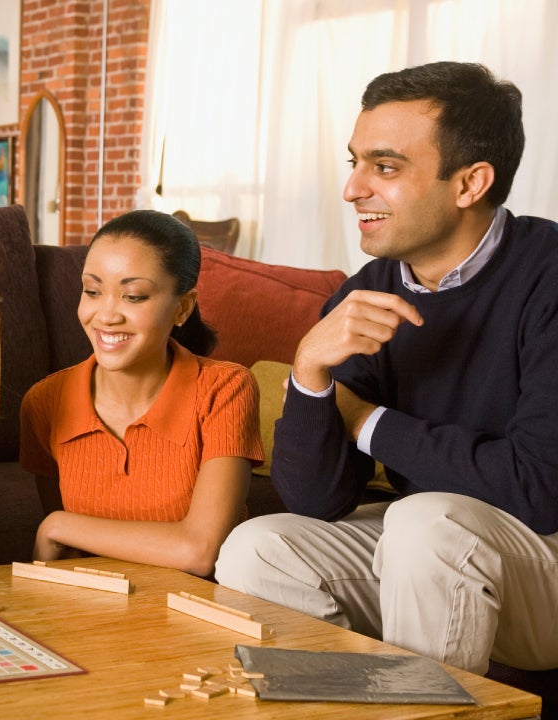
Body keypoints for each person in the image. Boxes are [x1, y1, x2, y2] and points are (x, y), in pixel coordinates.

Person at [215, 62, 558, 675]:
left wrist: (365, 421)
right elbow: (316, 500)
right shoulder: (367, 293)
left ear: (470, 183)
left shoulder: (549, 276)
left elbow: (539, 489)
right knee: (257, 548)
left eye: (386, 167)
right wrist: (310, 373)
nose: (353, 189)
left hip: (542, 552)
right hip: (427, 551)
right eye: (356, 163)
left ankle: (417, 711)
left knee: (425, 523)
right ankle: (348, 703)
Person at [19, 210, 263, 577]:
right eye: (92, 291)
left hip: (197, 603)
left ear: (183, 307)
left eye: (133, 296)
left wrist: (57, 525)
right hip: (93, 602)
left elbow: (200, 551)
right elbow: (68, 556)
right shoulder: (45, 402)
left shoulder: (226, 389)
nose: (106, 315)